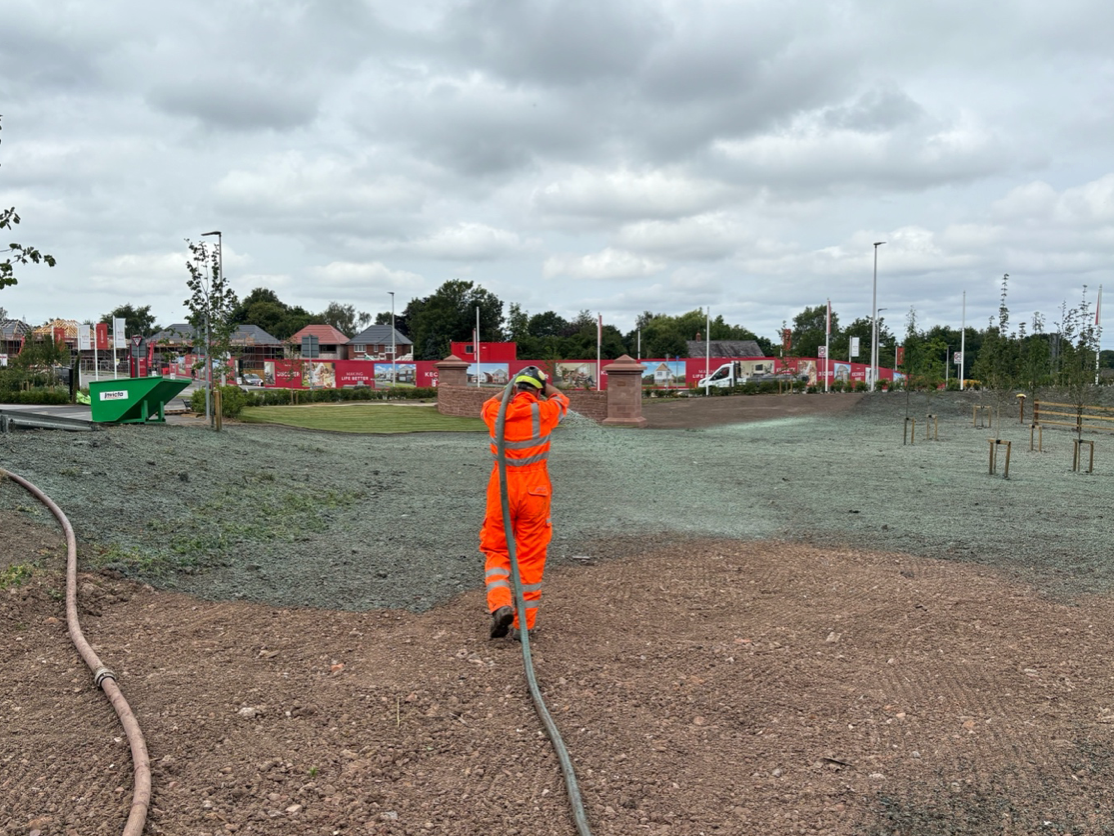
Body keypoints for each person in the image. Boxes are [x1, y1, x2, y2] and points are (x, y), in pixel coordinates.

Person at [480, 366, 569, 639]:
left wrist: (511, 384)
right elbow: (562, 399)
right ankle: (524, 626)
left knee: (496, 549)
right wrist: (544, 384)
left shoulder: (496, 412)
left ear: (516, 388)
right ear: (538, 390)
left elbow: (489, 403)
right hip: (535, 490)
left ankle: (501, 603)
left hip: (502, 489)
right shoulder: (544, 412)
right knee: (530, 556)